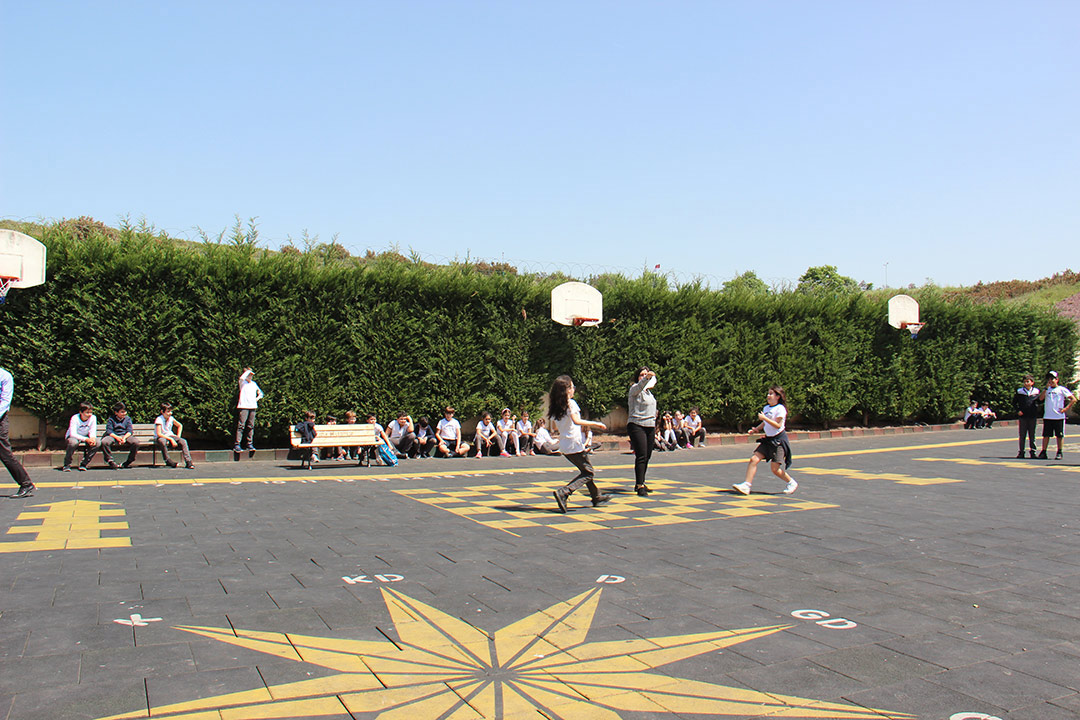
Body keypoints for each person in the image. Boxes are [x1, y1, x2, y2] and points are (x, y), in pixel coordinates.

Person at [550, 375, 610, 512]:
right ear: (566, 390)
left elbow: (555, 426)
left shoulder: (556, 406)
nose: (574, 389)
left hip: (565, 445)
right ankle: (564, 492)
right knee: (589, 473)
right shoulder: (571, 403)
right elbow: (576, 421)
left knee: (585, 470)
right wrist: (596, 424)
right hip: (574, 444)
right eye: (572, 387)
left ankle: (596, 496)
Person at [732, 386, 797, 496]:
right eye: (768, 393)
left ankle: (791, 482)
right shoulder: (766, 408)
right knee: (753, 459)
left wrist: (765, 418)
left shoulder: (780, 409)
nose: (768, 396)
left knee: (775, 469)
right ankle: (746, 486)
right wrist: (756, 429)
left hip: (779, 441)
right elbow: (765, 423)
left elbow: (778, 425)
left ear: (777, 396)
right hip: (768, 440)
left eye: (771, 394)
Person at [0, 367, 35, 497]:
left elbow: (5, 402)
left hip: (0, 419)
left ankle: (26, 484)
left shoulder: (4, 376)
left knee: (4, 453)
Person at [627, 367, 657, 496]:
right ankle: (639, 485)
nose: (644, 376)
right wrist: (647, 378)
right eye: (641, 374)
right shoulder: (635, 389)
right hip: (637, 425)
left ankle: (641, 481)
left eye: (646, 374)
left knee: (648, 455)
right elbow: (640, 386)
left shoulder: (649, 393)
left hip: (650, 426)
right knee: (641, 455)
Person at [1038, 370, 1075, 460]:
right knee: (1046, 435)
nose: (1050, 381)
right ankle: (1044, 451)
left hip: (1058, 416)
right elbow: (1041, 398)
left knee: (1059, 435)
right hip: (1048, 416)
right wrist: (1045, 389)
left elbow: (1073, 399)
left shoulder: (1061, 389)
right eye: (1049, 379)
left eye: (1052, 379)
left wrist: (1065, 408)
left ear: (1057, 379)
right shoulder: (1047, 390)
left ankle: (1059, 451)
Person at [101, 402, 140, 469]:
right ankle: (110, 461)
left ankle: (129, 460)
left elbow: (130, 431)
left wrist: (124, 438)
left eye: (125, 411)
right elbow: (109, 431)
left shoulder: (127, 419)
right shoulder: (111, 419)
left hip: (125, 435)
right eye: (122, 412)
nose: (124, 413)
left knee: (136, 442)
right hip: (113, 436)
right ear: (116, 413)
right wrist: (117, 437)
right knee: (104, 442)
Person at [155, 403, 194, 469]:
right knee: (162, 441)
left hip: (170, 435)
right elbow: (159, 433)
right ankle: (168, 460)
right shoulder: (159, 419)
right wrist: (171, 439)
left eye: (171, 411)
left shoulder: (171, 418)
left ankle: (188, 461)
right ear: (162, 412)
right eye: (168, 411)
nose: (170, 413)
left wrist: (178, 436)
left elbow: (180, 425)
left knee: (183, 441)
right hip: (162, 436)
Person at [234, 367, 263, 453]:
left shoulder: (254, 384)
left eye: (251, 375)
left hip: (252, 407)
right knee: (241, 426)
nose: (250, 376)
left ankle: (249, 443)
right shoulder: (242, 383)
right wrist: (247, 372)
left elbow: (261, 393)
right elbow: (241, 378)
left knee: (251, 426)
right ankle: (237, 444)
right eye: (249, 375)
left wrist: (256, 399)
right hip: (243, 407)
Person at [63, 402, 99, 472]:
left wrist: (92, 439)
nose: (89, 415)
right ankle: (67, 464)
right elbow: (73, 434)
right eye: (87, 413)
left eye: (91, 412)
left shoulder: (93, 418)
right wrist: (86, 439)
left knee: (98, 443)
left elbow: (92, 430)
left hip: (86, 437)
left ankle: (84, 464)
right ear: (81, 412)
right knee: (73, 443)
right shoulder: (75, 418)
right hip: (74, 437)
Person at [1014, 375, 1040, 458]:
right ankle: (1021, 452)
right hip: (1023, 416)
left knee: (1032, 434)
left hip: (1032, 415)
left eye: (1028, 381)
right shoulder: (1020, 391)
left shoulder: (1036, 391)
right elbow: (1014, 402)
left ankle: (1033, 452)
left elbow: (1039, 402)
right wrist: (1018, 410)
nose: (1026, 383)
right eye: (1025, 382)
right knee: (1022, 435)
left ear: (1032, 382)